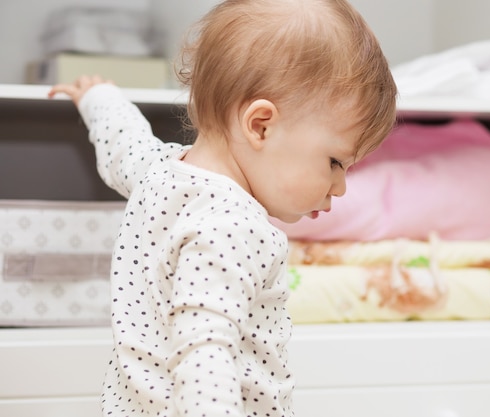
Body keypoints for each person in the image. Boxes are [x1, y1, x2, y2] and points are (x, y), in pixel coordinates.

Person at [48, 0, 397, 416]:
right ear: (261, 125)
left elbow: (126, 144)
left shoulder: (157, 171)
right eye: (335, 162)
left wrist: (99, 100)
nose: (340, 187)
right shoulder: (232, 224)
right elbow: (204, 350)